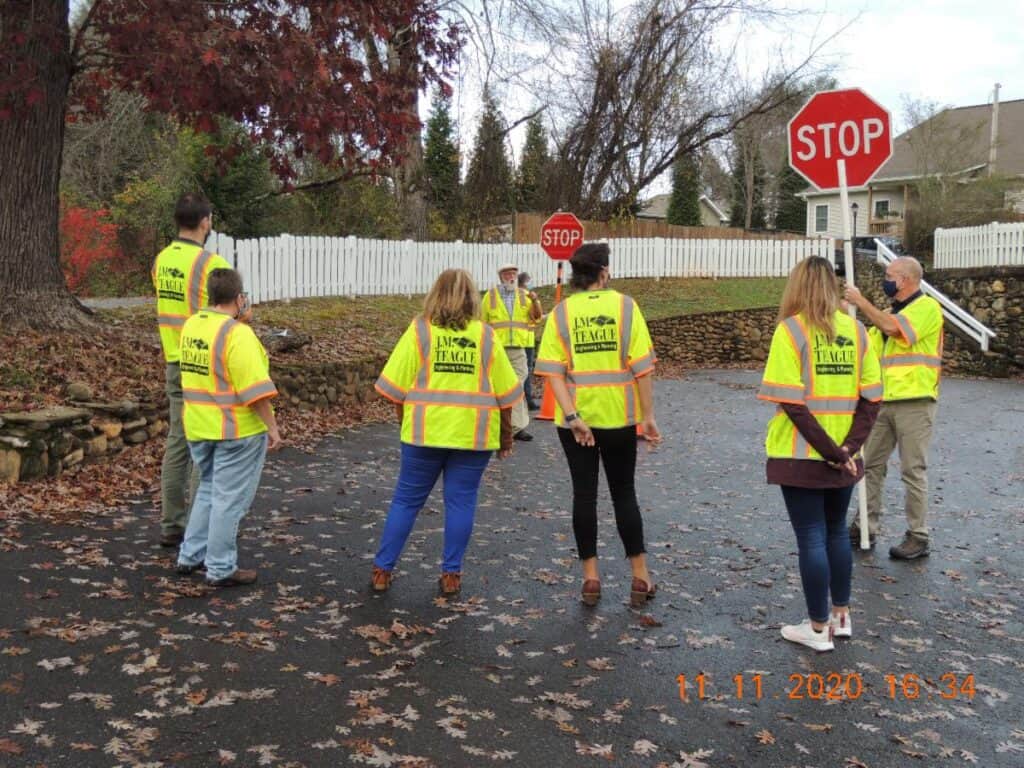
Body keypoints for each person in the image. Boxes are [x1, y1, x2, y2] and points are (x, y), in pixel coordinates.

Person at [372, 269, 522, 597]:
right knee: (461, 503)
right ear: (473, 297)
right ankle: (451, 575)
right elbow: (506, 395)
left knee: (406, 501)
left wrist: (406, 423)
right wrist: (506, 439)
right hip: (474, 436)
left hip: (423, 433)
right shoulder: (485, 336)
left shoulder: (420, 331)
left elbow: (395, 389)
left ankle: (383, 570)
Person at [758, 256, 882, 651]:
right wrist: (847, 449)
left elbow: (792, 404)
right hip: (845, 456)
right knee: (834, 533)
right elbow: (872, 399)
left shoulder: (790, 332)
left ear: (796, 287)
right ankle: (840, 617)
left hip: (801, 456)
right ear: (832, 286)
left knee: (811, 536)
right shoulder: (857, 331)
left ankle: (815, 629)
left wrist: (831, 451)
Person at [535, 243, 662, 608]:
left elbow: (552, 373)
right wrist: (648, 416)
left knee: (584, 495)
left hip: (576, 422)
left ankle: (590, 580)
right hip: (620, 418)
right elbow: (643, 368)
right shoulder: (625, 306)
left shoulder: (561, 313)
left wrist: (573, 417)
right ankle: (640, 577)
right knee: (624, 494)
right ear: (604, 273)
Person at [175, 268, 282, 587]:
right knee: (227, 499)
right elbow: (255, 392)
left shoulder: (192, 325)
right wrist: (273, 427)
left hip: (198, 425)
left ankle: (190, 555)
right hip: (236, 430)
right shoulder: (237, 335)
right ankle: (221, 567)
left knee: (208, 490)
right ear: (239, 298)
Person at [845, 256, 943, 560]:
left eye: (889, 275)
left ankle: (918, 535)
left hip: (915, 401)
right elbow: (868, 345)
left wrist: (861, 302)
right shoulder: (887, 313)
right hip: (883, 403)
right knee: (870, 465)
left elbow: (894, 329)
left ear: (905, 280)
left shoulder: (927, 308)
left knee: (912, 469)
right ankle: (865, 526)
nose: (886, 280)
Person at [152, 192, 232, 548]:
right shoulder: (209, 263)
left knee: (178, 441)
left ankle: (173, 524)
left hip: (174, 358)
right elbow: (224, 309)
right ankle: (204, 529)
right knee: (207, 444)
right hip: (204, 363)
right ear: (204, 222)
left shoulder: (161, 260)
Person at [482, 264, 542, 441]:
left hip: (517, 347)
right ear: (500, 276)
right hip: (497, 348)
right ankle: (498, 425)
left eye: (514, 274)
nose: (511, 277)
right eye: (507, 274)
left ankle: (517, 427)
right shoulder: (490, 296)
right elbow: (482, 322)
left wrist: (536, 301)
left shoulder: (525, 295)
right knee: (498, 386)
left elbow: (536, 317)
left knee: (516, 386)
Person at [517, 271, 544, 410]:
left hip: (514, 339)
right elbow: (537, 317)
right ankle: (527, 400)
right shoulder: (529, 298)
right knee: (526, 371)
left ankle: (520, 400)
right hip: (526, 340)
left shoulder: (512, 297)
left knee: (518, 372)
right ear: (526, 282)